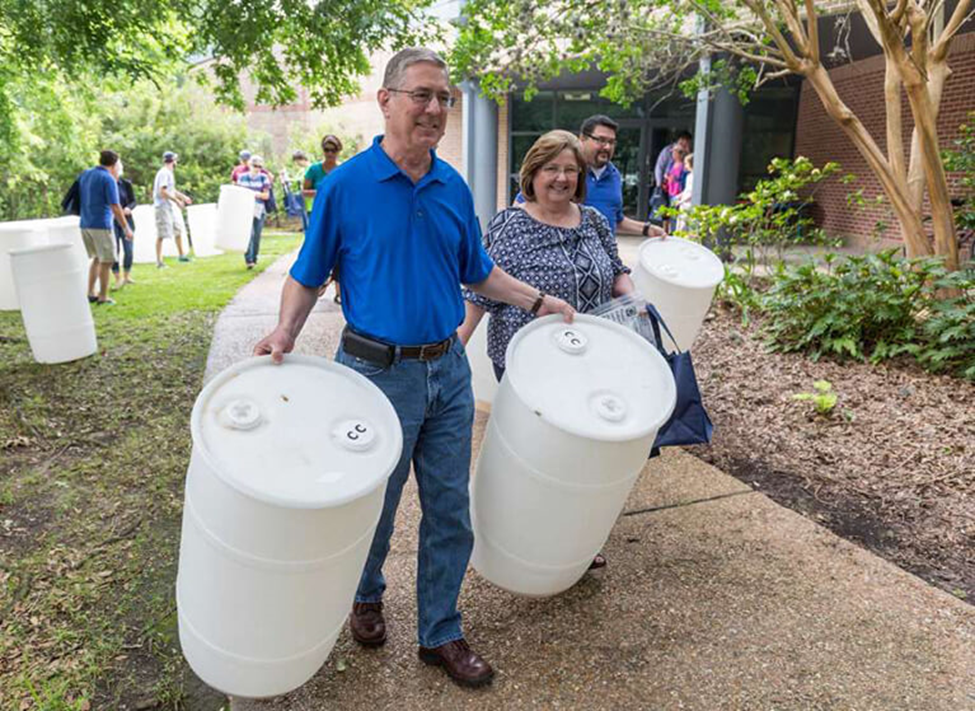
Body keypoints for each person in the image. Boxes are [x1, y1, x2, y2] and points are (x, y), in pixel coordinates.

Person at [253, 47, 574, 689]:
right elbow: (308, 274)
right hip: (374, 374)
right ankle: (365, 593)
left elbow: (476, 271)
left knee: (450, 508)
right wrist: (284, 330)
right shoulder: (346, 186)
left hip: (447, 372)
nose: (434, 109)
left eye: (443, 98)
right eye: (422, 95)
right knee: (374, 502)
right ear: (387, 100)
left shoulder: (453, 186)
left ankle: (441, 632)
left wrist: (539, 300)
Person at [459, 129, 636, 570]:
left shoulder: (593, 220)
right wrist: (452, 351)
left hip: (590, 360)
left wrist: (634, 304)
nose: (561, 178)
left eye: (570, 170)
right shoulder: (510, 224)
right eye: (551, 169)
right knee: (537, 457)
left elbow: (617, 272)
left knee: (583, 455)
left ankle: (573, 538)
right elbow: (480, 294)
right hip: (530, 364)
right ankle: (514, 537)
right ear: (532, 174)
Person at [516, 115, 665, 239]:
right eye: (600, 140)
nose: (607, 147)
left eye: (611, 142)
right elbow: (520, 209)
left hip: (605, 263)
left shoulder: (614, 176)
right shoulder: (564, 177)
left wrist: (646, 229)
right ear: (582, 139)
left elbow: (615, 221)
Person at [79, 150, 133, 305]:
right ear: (115, 164)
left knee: (97, 258)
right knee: (107, 260)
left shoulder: (86, 174)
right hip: (101, 224)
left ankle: (90, 292)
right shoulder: (108, 178)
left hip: (85, 223)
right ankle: (103, 296)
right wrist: (126, 228)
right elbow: (115, 206)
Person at [303, 134, 345, 303]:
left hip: (338, 215)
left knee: (340, 253)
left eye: (333, 150)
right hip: (317, 214)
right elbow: (304, 191)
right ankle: (317, 283)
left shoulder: (342, 169)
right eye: (327, 150)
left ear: (338, 151)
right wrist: (321, 193)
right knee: (319, 249)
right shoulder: (314, 170)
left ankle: (339, 292)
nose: (330, 153)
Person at [152, 151, 192, 267]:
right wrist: (177, 201)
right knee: (162, 234)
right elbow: (162, 191)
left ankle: (181, 256)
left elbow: (171, 190)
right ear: (173, 161)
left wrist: (184, 197)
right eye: (175, 160)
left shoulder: (169, 173)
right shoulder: (164, 173)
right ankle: (159, 262)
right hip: (162, 207)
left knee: (178, 229)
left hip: (169, 206)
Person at [237, 155, 271, 269]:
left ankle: (254, 257)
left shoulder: (263, 177)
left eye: (260, 166)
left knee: (256, 235)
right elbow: (239, 193)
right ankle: (249, 260)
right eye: (255, 165)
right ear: (249, 165)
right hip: (245, 209)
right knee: (248, 234)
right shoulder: (242, 177)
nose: (257, 168)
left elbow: (266, 195)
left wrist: (253, 194)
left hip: (259, 209)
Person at [651, 130, 693, 222]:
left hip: (680, 190)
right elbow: (660, 167)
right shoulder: (668, 151)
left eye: (686, 142)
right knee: (665, 210)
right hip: (668, 188)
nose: (684, 143)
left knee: (675, 211)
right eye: (682, 141)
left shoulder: (687, 155)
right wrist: (660, 184)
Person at [110, 159, 137, 288]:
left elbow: (133, 201)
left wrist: (129, 208)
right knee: (115, 249)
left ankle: (127, 275)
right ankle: (117, 277)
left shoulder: (126, 184)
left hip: (127, 219)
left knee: (129, 249)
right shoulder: (107, 184)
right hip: (112, 221)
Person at [663, 145, 687, 233]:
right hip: (670, 191)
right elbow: (667, 174)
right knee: (669, 212)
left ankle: (674, 231)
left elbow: (683, 179)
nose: (673, 154)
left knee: (675, 213)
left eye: (674, 152)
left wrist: (675, 179)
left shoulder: (683, 166)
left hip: (677, 192)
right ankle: (670, 230)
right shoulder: (671, 164)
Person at [674, 152, 694, 233]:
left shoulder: (694, 176)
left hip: (688, 204)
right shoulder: (689, 176)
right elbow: (687, 190)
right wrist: (679, 195)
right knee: (680, 224)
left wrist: (681, 201)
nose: (685, 165)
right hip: (684, 204)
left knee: (684, 226)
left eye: (686, 163)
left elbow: (692, 192)